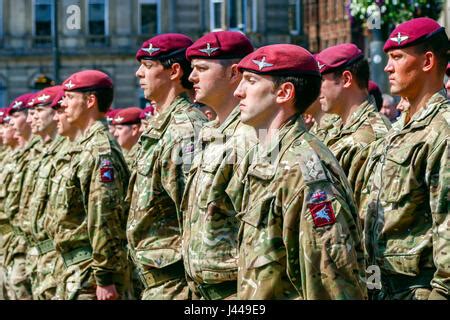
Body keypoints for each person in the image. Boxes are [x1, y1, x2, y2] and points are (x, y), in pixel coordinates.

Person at [227, 44, 367, 299]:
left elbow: (332, 282)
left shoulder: (303, 170)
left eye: (250, 81)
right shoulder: (272, 159)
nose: (238, 92)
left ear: (284, 92)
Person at [358, 17, 449, 300]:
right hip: (379, 286)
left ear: (427, 61)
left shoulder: (442, 130)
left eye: (397, 57)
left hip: (417, 290)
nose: (387, 67)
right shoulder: (398, 129)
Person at [127, 33, 208, 300]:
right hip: (154, 281)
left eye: (148, 66)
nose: (139, 73)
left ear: (174, 71)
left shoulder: (186, 129)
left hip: (177, 284)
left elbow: (194, 217)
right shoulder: (161, 127)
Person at [181, 30, 256, 300]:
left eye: (202, 68)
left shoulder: (249, 139)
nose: (191, 78)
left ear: (234, 72)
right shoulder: (213, 135)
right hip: (202, 292)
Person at [54, 70, 131, 300]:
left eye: (69, 97)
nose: (63, 104)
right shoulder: (86, 145)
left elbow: (103, 215)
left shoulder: (99, 150)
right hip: (79, 269)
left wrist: (105, 277)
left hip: (90, 274)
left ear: (90, 101)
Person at [316, 43, 391, 195]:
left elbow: (367, 211)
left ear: (346, 79)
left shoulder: (372, 135)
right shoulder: (334, 126)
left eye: (322, 80)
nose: (317, 90)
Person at [26, 86, 67, 299]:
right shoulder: (43, 152)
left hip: (61, 259)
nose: (31, 118)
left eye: (38, 111)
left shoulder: (68, 151)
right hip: (39, 255)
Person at [3, 93, 40, 300]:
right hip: (13, 241)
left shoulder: (40, 153)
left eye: (14, 117)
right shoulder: (20, 154)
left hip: (33, 246)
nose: (9, 124)